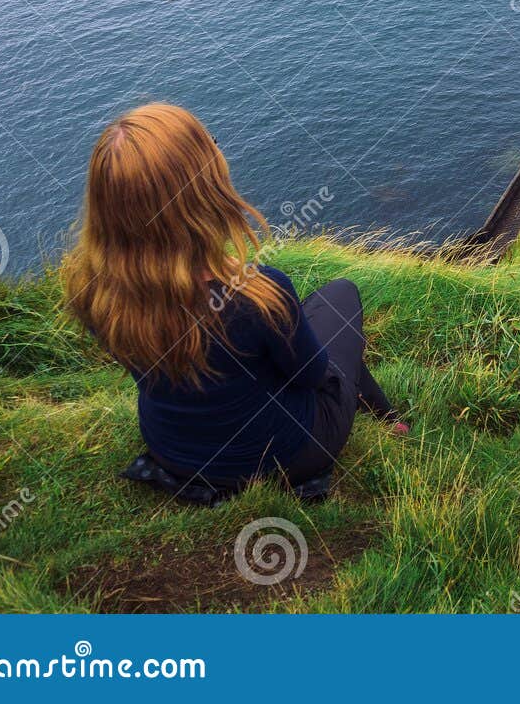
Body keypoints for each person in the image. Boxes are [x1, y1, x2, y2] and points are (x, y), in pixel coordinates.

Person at [61, 103, 404, 495]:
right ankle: (393, 419)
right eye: (211, 147)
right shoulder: (255, 294)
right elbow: (310, 376)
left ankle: (390, 416)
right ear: (200, 188)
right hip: (283, 457)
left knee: (294, 331)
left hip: (173, 451)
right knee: (341, 296)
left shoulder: (93, 290)